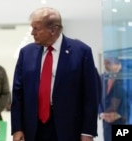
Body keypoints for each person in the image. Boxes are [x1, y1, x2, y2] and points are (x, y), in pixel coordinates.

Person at [11, 7, 99, 141]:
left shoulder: (81, 52)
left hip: (69, 129)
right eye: (32, 28)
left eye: (36, 28)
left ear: (53, 30)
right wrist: (17, 128)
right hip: (33, 128)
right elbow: (18, 93)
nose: (32, 33)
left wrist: (88, 132)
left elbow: (90, 96)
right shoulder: (26, 53)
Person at [99, 57, 129, 141]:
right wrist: (101, 113)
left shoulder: (127, 76)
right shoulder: (102, 77)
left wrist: (119, 114)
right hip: (107, 125)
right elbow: (97, 97)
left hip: (122, 122)